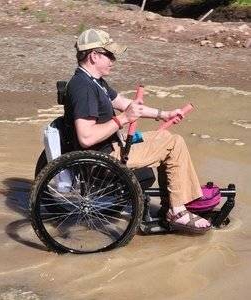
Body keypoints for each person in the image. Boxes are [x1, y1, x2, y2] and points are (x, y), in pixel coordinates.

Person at [64, 28, 211, 233]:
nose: (113, 60)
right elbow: (87, 137)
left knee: (166, 136)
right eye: (109, 55)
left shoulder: (94, 82)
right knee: (173, 143)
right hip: (104, 157)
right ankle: (177, 210)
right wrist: (124, 119)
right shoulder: (84, 87)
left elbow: (125, 103)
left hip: (111, 147)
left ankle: (174, 203)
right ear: (94, 56)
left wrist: (164, 113)